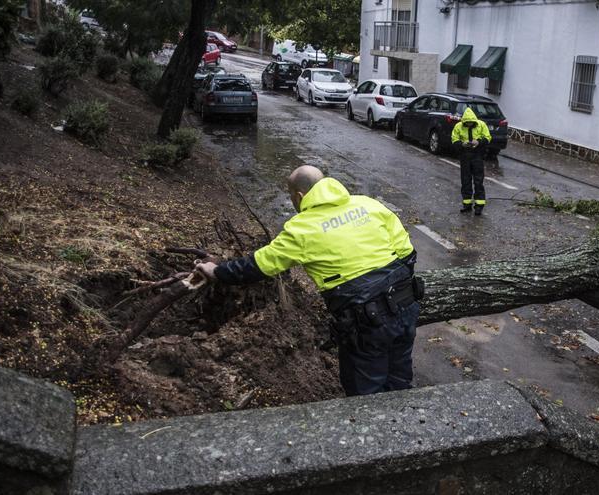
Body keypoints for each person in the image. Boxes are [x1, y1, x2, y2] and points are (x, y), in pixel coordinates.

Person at [195, 165, 423, 396]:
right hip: (405, 304)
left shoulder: (302, 229)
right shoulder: (368, 204)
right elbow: (406, 251)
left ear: (299, 196)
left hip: (366, 322)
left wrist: (218, 272)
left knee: (366, 394)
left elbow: (260, 265)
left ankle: (373, 431)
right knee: (400, 381)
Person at [451, 107, 492, 216]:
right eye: (467, 123)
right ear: (464, 121)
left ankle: (479, 206)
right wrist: (462, 144)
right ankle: (467, 204)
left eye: (470, 123)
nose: (469, 124)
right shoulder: (458, 126)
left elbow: (487, 137)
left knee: (478, 181)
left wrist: (478, 142)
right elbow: (454, 139)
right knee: (465, 181)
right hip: (465, 156)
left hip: (477, 156)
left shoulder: (481, 125)